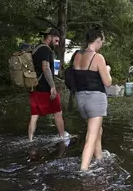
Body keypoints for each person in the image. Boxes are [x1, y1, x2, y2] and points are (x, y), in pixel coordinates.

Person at [72, 28, 112, 170]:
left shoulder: (77, 55)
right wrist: (107, 70)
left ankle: (99, 157)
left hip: (80, 99)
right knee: (91, 136)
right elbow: (107, 83)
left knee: (97, 130)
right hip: (95, 99)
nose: (102, 44)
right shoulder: (98, 57)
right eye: (102, 42)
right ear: (98, 40)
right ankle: (84, 170)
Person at [28, 28, 70, 142]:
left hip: (34, 87)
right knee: (58, 112)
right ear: (50, 37)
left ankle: (30, 139)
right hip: (45, 88)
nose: (57, 44)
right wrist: (52, 86)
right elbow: (45, 68)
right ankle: (62, 136)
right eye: (56, 41)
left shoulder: (36, 49)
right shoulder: (46, 50)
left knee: (34, 115)